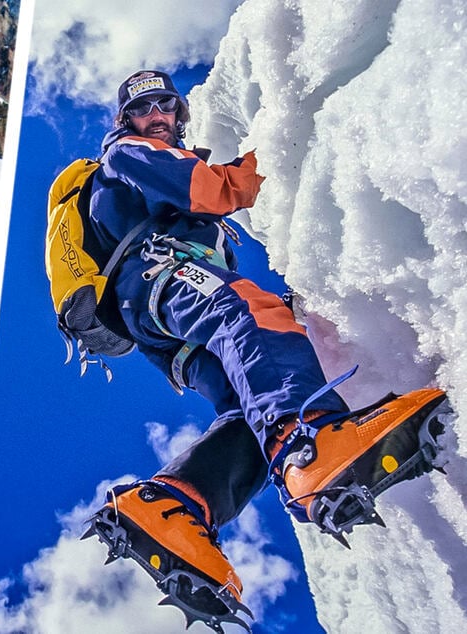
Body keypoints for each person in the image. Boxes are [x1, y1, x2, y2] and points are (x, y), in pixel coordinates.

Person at [75, 70, 448, 629]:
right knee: (247, 312)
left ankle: (174, 506)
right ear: (124, 121)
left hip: (162, 325)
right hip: (159, 274)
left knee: (248, 410)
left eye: (164, 105)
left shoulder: (140, 160)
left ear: (179, 113)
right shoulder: (128, 154)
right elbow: (209, 190)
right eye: (142, 108)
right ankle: (308, 443)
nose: (156, 115)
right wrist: (270, 155)